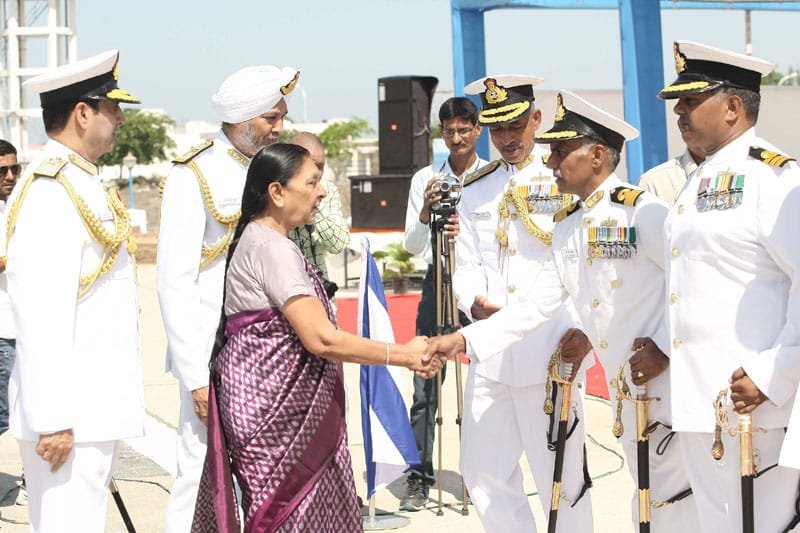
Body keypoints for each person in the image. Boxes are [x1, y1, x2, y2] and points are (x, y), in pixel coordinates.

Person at [191, 143, 441, 531]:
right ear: (277, 192)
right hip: (281, 427)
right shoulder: (273, 249)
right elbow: (321, 339)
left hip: (276, 418)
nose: (321, 192)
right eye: (312, 182)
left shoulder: (262, 240)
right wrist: (404, 355)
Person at [536, 90, 699, 531]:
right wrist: (582, 333)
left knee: (675, 498)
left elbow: (694, 280)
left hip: (667, 380)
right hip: (624, 386)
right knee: (648, 490)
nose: (550, 161)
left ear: (597, 156)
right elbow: (582, 297)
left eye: (561, 150)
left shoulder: (642, 212)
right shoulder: (568, 225)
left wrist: (664, 346)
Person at [659, 40, 800, 532]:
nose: (679, 110)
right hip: (702, 403)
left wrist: (772, 372)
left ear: (734, 107)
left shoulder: (773, 178)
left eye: (691, 100)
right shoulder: (696, 179)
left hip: (755, 406)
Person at [444, 75, 595, 532]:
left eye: (515, 126)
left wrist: (587, 329)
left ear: (535, 119)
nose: (507, 139)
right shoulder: (476, 186)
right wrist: (473, 301)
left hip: (550, 349)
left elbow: (586, 264)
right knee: (483, 470)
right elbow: (465, 262)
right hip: (492, 353)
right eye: (497, 130)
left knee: (563, 479)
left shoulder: (564, 178)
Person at [5, 49, 143, 531]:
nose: (121, 119)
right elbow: (39, 311)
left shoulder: (79, 181)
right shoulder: (51, 189)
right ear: (83, 112)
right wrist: (54, 417)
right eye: (113, 108)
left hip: (90, 408)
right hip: (69, 417)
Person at [157, 64, 298, 533]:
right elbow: (174, 280)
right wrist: (195, 375)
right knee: (198, 467)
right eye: (271, 119)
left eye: (280, 117)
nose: (279, 127)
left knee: (262, 466)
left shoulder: (272, 169)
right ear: (242, 119)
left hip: (263, 348)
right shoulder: (193, 173)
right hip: (210, 349)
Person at [399, 96, 486, 511]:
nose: (456, 138)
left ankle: (480, 471)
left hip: (480, 286)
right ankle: (420, 474)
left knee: (485, 384)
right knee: (425, 380)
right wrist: (426, 212)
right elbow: (412, 246)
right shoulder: (425, 179)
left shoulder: (492, 176)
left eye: (463, 130)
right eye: (448, 131)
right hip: (438, 280)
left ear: (477, 130)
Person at [287, 131, 349, 297]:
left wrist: (315, 202)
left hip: (322, 294)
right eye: (312, 165)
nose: (317, 172)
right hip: (287, 292)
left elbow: (338, 244)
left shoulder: (327, 191)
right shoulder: (278, 192)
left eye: (321, 166)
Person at [0, 140, 24, 506]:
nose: (9, 177)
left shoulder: (18, 206)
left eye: (14, 169)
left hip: (23, 325)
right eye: (1, 170)